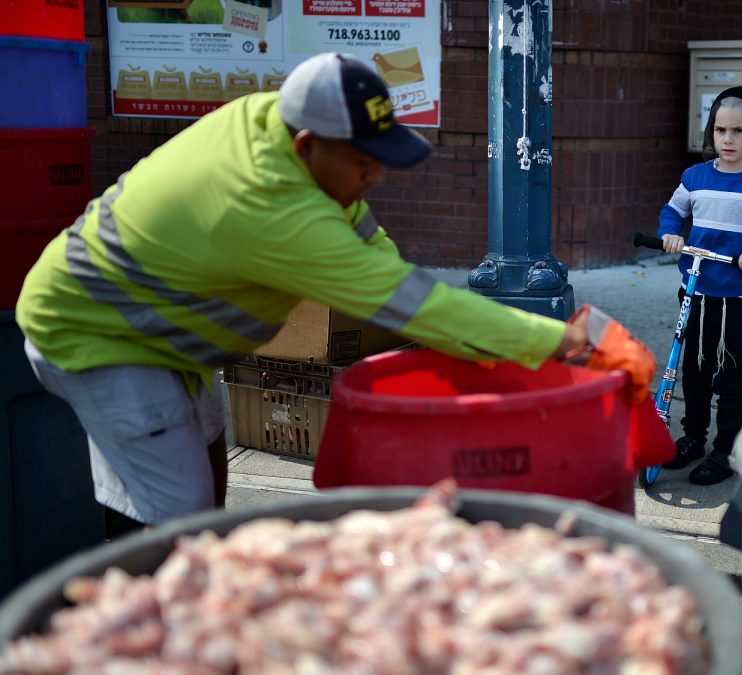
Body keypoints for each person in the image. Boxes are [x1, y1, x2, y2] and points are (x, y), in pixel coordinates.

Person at [15, 52, 654, 536]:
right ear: (306, 147)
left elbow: (375, 254)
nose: (375, 174)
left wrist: (414, 287)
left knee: (207, 450)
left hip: (155, 326)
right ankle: (146, 632)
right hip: (98, 333)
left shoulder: (268, 120)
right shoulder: (269, 208)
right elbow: (417, 308)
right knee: (174, 518)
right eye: (362, 161)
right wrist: (563, 341)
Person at [655, 86, 742, 486]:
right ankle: (693, 438)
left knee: (728, 378)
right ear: (711, 133)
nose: (727, 140)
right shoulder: (694, 178)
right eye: (720, 131)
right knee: (694, 373)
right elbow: (673, 211)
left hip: (737, 297)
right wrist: (670, 234)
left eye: (736, 132)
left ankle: (725, 450)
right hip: (696, 292)